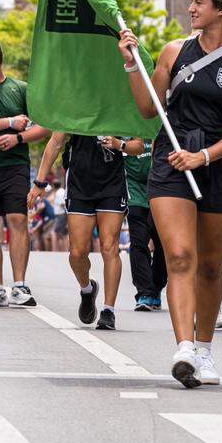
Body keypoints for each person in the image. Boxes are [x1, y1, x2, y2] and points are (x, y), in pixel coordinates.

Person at [119, 0, 222, 388]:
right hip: (171, 160)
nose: (191, 8)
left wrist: (203, 156)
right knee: (180, 255)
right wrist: (133, 64)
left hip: (217, 165)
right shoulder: (174, 52)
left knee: (209, 266)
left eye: (199, 2)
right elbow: (148, 108)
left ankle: (204, 349)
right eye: (192, 0)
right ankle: (183, 347)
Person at [33, 132, 140, 330]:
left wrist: (120, 144)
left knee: (110, 247)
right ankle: (87, 290)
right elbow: (55, 141)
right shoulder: (75, 105)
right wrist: (39, 183)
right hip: (80, 184)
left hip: (112, 184)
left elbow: (140, 145)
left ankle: (109, 311)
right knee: (77, 253)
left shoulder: (120, 104)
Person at [0, 39, 49, 308]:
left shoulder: (21, 89)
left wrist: (19, 138)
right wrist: (9, 123)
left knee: (17, 220)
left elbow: (46, 126)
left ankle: (19, 285)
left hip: (14, 167)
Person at [126, 147, 166, 311]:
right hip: (134, 191)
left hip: (162, 186)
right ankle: (144, 292)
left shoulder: (163, 123)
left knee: (163, 243)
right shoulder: (125, 125)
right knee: (139, 241)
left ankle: (156, 288)